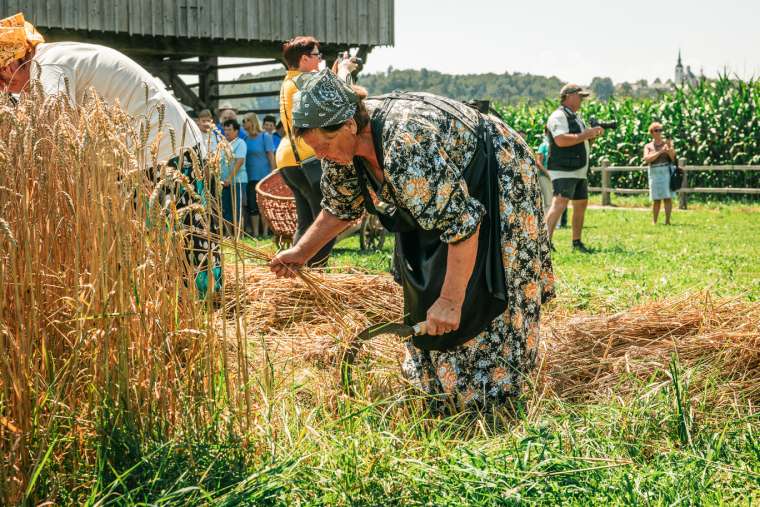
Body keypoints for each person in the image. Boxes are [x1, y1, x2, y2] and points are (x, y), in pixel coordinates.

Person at [269, 70, 554, 411]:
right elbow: (341, 207)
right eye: (315, 150)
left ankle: (497, 391)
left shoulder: (405, 144)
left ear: (348, 125)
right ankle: (439, 385)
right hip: (441, 189)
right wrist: (301, 252)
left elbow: (462, 225)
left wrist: (450, 301)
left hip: (497, 171)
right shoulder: (340, 149)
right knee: (425, 280)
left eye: (324, 146)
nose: (323, 155)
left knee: (490, 279)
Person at [0, 13, 221, 294]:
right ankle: (178, 303)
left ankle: (206, 304)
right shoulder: (54, 58)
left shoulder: (48, 66)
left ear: (9, 65)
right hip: (141, 155)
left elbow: (53, 132)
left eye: (1, 80)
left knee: (186, 237)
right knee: (156, 241)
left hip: (164, 150)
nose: (5, 90)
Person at [275, 36, 336, 266]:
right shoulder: (304, 82)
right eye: (317, 56)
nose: (320, 60)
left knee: (306, 222)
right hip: (307, 157)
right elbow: (337, 100)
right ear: (304, 59)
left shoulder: (289, 82)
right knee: (327, 223)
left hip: (288, 158)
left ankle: (296, 272)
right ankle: (313, 273)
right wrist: (344, 72)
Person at [543, 84, 604, 253]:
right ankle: (544, 243)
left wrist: (591, 136)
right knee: (559, 203)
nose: (582, 100)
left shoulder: (576, 117)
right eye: (580, 96)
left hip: (578, 169)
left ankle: (576, 242)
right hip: (564, 169)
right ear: (568, 96)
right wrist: (587, 134)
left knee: (581, 204)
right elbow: (561, 140)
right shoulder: (558, 116)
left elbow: (580, 140)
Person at [242, 113, 275, 236]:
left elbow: (271, 156)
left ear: (252, 122)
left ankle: (266, 232)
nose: (244, 124)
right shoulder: (245, 139)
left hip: (264, 177)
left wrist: (273, 173)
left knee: (264, 205)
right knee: (252, 205)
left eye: (245, 121)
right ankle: (256, 233)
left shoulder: (265, 137)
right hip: (250, 177)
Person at [643, 122, 677, 224]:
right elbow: (647, 159)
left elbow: (673, 158)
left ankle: (667, 221)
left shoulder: (666, 144)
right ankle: (655, 221)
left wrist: (669, 150)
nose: (659, 132)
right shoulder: (648, 146)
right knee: (656, 198)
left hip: (665, 170)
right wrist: (660, 152)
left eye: (660, 130)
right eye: (657, 130)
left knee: (667, 197)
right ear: (652, 132)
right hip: (654, 172)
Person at [220, 119, 247, 237]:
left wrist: (229, 178)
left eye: (229, 129)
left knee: (237, 209)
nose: (226, 132)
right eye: (225, 129)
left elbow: (240, 161)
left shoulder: (240, 143)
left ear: (236, 131)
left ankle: (238, 235)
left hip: (237, 181)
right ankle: (228, 235)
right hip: (224, 182)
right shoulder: (222, 143)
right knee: (226, 209)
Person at [535, 129, 568, 228]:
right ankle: (547, 223)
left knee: (558, 199)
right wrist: (548, 173)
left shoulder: (558, 145)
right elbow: (538, 162)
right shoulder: (543, 145)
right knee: (548, 201)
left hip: (557, 176)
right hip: (544, 177)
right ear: (545, 133)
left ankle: (557, 223)